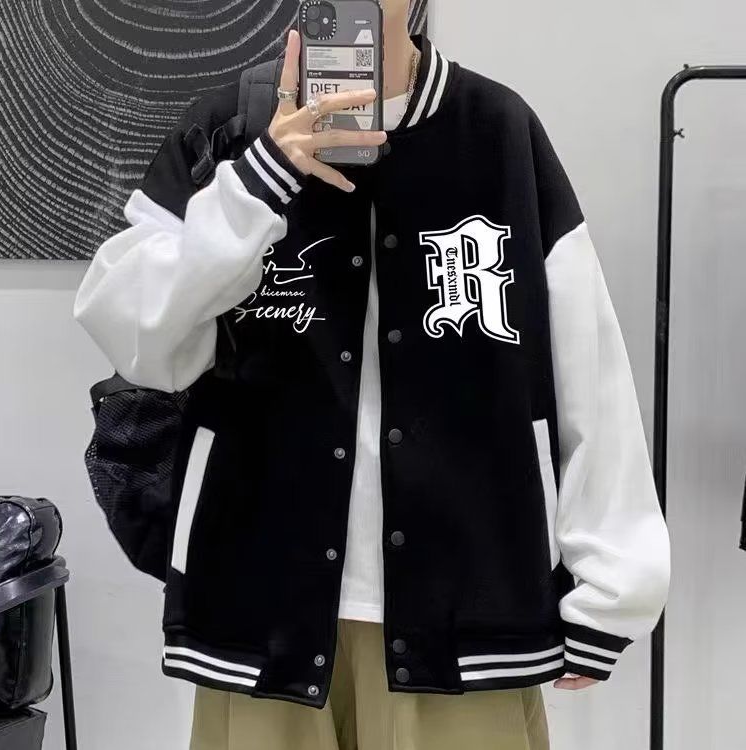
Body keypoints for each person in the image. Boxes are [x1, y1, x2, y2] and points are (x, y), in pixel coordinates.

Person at [73, 1, 671, 748]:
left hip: (465, 607)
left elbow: (588, 364)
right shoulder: (228, 128)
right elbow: (132, 331)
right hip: (261, 604)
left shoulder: (496, 130)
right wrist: (256, 183)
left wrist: (613, 586)